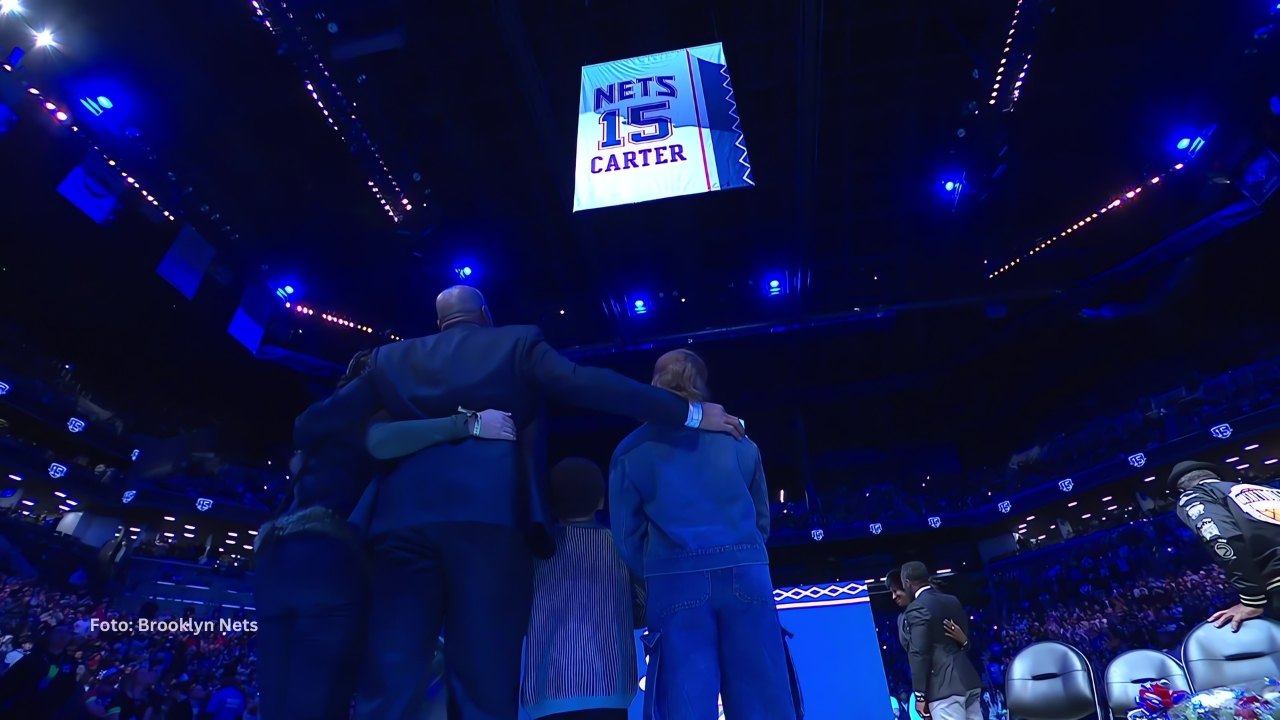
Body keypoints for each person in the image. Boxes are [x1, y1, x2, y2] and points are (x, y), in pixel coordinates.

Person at [297, 286, 743, 720]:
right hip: (489, 524)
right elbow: (591, 385)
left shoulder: (389, 360)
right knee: (483, 681)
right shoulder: (516, 343)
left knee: (390, 678)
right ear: (485, 315)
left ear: (439, 323)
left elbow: (314, 423)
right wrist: (691, 412)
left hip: (399, 526)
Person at [254, 349, 517, 720]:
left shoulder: (322, 418)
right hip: (331, 556)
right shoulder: (383, 416)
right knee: (316, 700)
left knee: (275, 700)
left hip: (275, 557)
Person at [609, 349, 793, 720]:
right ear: (703, 382)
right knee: (763, 696)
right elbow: (761, 519)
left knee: (685, 699)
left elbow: (626, 537)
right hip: (747, 572)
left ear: (654, 383)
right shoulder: (741, 441)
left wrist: (659, 572)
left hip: (675, 582)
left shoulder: (631, 450)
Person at [521, 457, 643, 720]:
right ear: (601, 500)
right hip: (611, 689)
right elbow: (642, 611)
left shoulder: (534, 554)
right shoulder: (621, 548)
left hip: (547, 692)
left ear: (549, 501)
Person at [1170, 460, 1280, 630]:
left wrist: (1252, 599)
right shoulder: (1267, 489)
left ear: (1182, 490)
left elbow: (1222, 538)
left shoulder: (1194, 495)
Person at [899, 562, 982, 720]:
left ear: (907, 583)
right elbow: (965, 640)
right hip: (969, 680)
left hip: (944, 688)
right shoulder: (952, 600)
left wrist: (920, 696)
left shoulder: (917, 608)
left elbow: (919, 652)